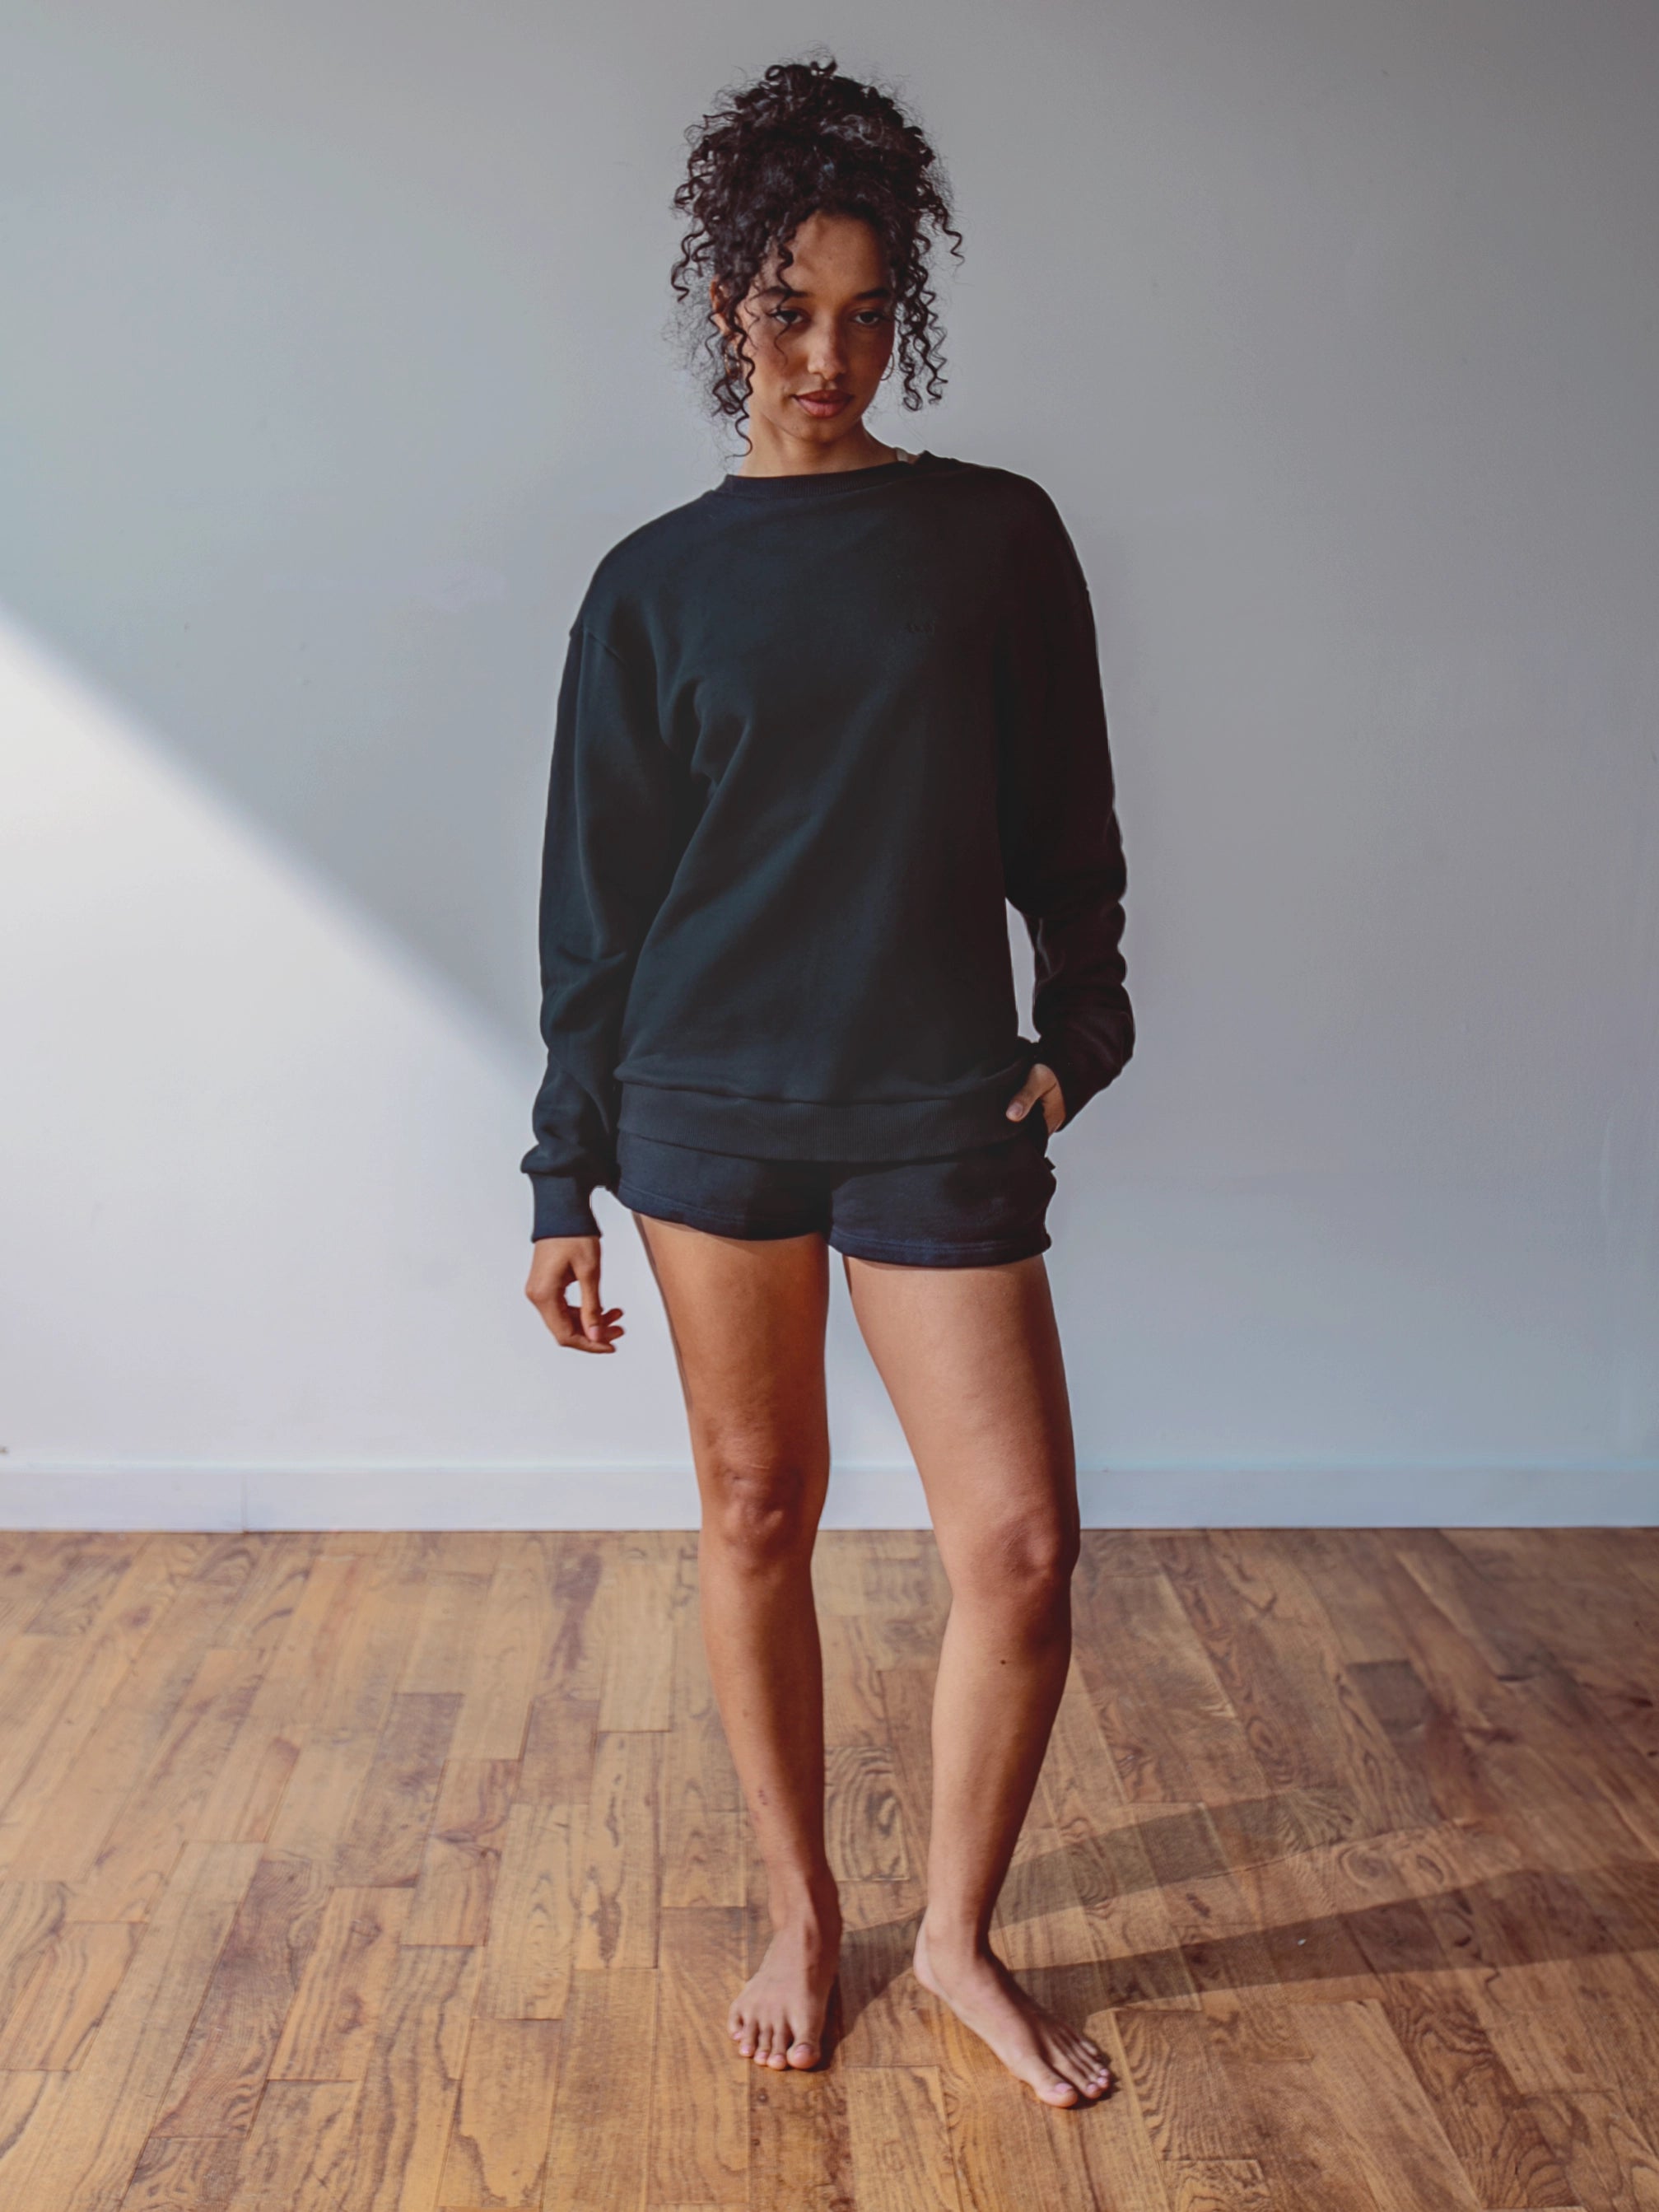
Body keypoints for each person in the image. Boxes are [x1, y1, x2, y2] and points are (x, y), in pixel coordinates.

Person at [522, 54, 1132, 2110]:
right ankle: (806, 1903)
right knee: (757, 1505)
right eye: (791, 311)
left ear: (911, 317)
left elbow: (1068, 817)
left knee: (1023, 1546)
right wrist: (557, 1175)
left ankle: (956, 1928)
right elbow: (596, 902)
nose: (830, 353)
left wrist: (1086, 1027)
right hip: (706, 1102)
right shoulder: (654, 585)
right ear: (727, 311)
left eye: (871, 314)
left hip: (936, 1091)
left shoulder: (993, 538)